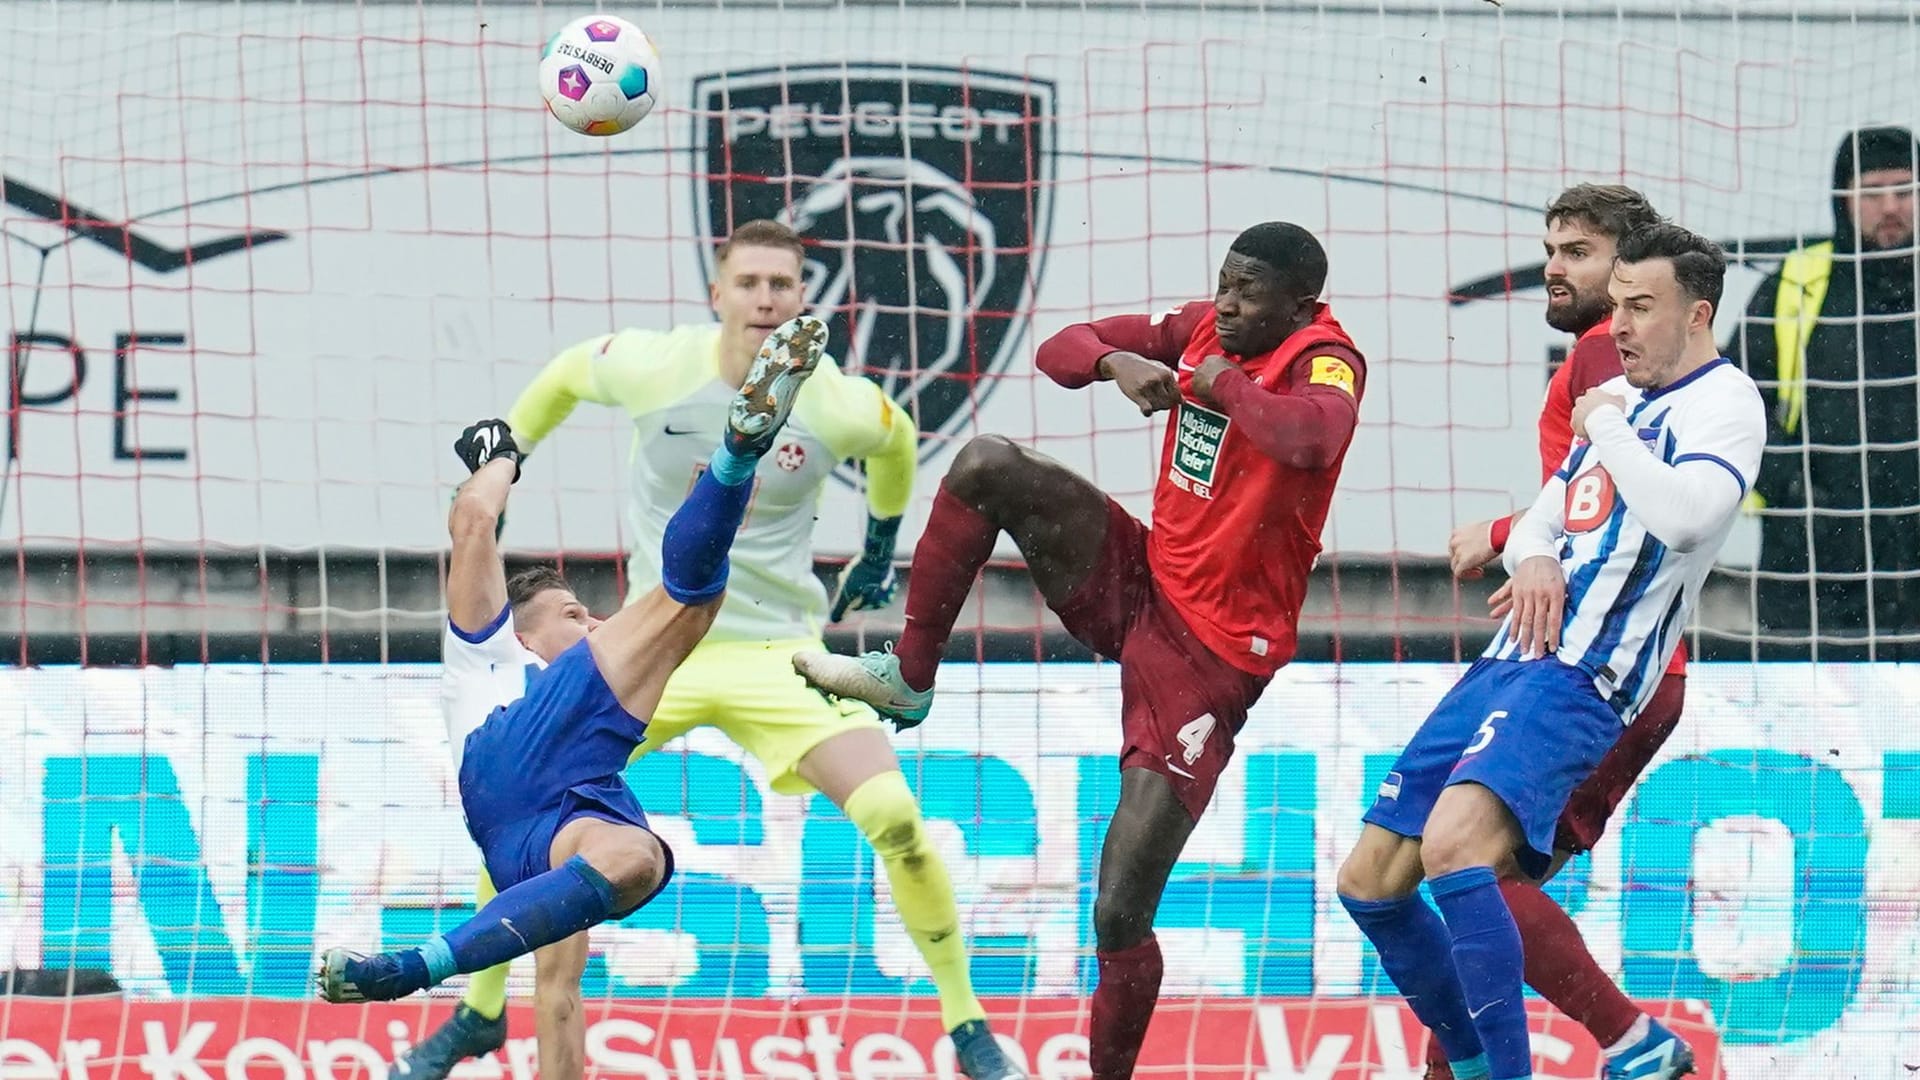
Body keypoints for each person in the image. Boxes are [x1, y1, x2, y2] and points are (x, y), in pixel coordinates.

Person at [396, 219, 1024, 1080]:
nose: (767, 297)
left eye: (784, 284)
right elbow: (562, 378)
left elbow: (898, 443)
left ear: (805, 299)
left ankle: (966, 1027)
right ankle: (477, 1013)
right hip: (654, 651)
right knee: (517, 801)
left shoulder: (837, 400)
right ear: (718, 294)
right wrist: (510, 467)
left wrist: (881, 546)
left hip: (781, 654)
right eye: (750, 282)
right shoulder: (656, 368)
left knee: (898, 821)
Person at [796, 222, 1367, 1080]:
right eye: (1224, 282)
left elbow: (1312, 439)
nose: (1228, 302)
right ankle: (909, 679)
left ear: (1301, 304)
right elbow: (1063, 348)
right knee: (988, 463)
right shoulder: (1202, 327)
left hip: (1211, 659)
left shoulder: (1327, 359)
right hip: (1140, 578)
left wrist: (1215, 383)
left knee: (1117, 914)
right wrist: (1116, 363)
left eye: (1250, 293)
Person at [1337, 223, 1764, 1080]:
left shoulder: (1726, 403)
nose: (1622, 327)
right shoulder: (1622, 402)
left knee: (1461, 852)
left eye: (1643, 308)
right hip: (1507, 661)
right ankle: (1472, 1060)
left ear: (1699, 313)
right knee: (1371, 879)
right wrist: (1531, 551)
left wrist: (1607, 427)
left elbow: (1687, 516)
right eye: (1620, 309)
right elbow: (1550, 508)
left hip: (1586, 675)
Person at [314, 316, 823, 1018]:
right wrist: (500, 455)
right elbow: (472, 523)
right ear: (525, 635)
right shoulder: (486, 648)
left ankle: (414, 967)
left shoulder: (582, 708)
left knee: (638, 861)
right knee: (686, 602)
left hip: (540, 834)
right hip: (513, 757)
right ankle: (738, 453)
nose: (594, 622)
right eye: (577, 613)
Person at [1436, 185, 1693, 1078]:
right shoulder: (1610, 360)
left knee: (1469, 878)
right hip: (1600, 657)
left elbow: (1618, 490)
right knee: (1471, 897)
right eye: (1551, 246)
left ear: (1627, 274)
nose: (1553, 265)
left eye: (1578, 251)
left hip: (1604, 668)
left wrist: (1508, 539)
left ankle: (1636, 1042)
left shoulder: (1601, 353)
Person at [1730, 125, 1920, 659]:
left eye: (1905, 191)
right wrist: (1789, 485)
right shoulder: (1797, 281)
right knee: (1814, 720)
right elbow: (1735, 397)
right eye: (1872, 191)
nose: (1890, 207)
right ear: (1844, 198)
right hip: (1812, 553)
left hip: (1915, 546)